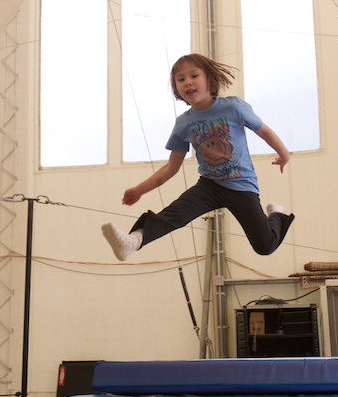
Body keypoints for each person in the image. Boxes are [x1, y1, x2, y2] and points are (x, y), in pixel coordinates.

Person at [102, 53, 294, 261]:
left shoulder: (233, 107)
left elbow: (263, 131)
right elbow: (171, 168)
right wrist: (139, 190)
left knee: (265, 246)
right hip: (210, 185)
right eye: (181, 79)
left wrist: (284, 155)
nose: (188, 82)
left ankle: (276, 214)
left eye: (194, 76)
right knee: (175, 214)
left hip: (241, 185)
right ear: (176, 88)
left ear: (209, 79)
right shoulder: (183, 124)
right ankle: (133, 241)